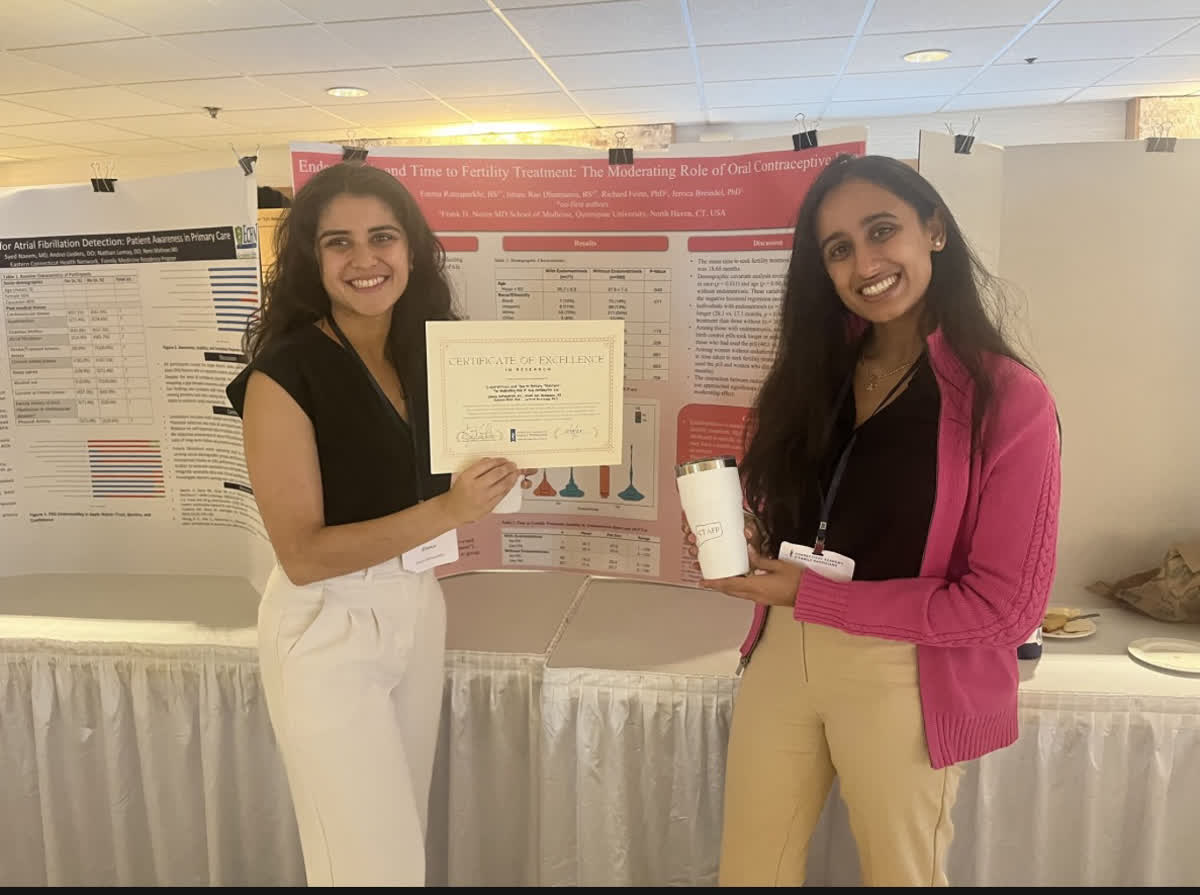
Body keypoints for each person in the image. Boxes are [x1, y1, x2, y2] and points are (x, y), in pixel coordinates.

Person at [689, 154, 1061, 887]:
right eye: (839, 249)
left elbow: (1006, 609)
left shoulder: (1007, 398)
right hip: (782, 652)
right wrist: (747, 539)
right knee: (749, 873)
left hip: (907, 670)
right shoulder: (813, 376)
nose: (864, 264)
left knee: (901, 876)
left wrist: (813, 595)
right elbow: (806, 513)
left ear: (935, 230)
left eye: (882, 230)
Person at [225, 162, 518, 886]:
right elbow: (302, 555)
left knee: (399, 850)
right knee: (370, 868)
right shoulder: (284, 373)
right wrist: (450, 509)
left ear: (411, 249)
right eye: (339, 242)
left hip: (417, 602)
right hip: (328, 625)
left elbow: (445, 479)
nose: (364, 258)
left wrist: (507, 468)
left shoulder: (429, 353)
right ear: (311, 258)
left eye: (382, 236)